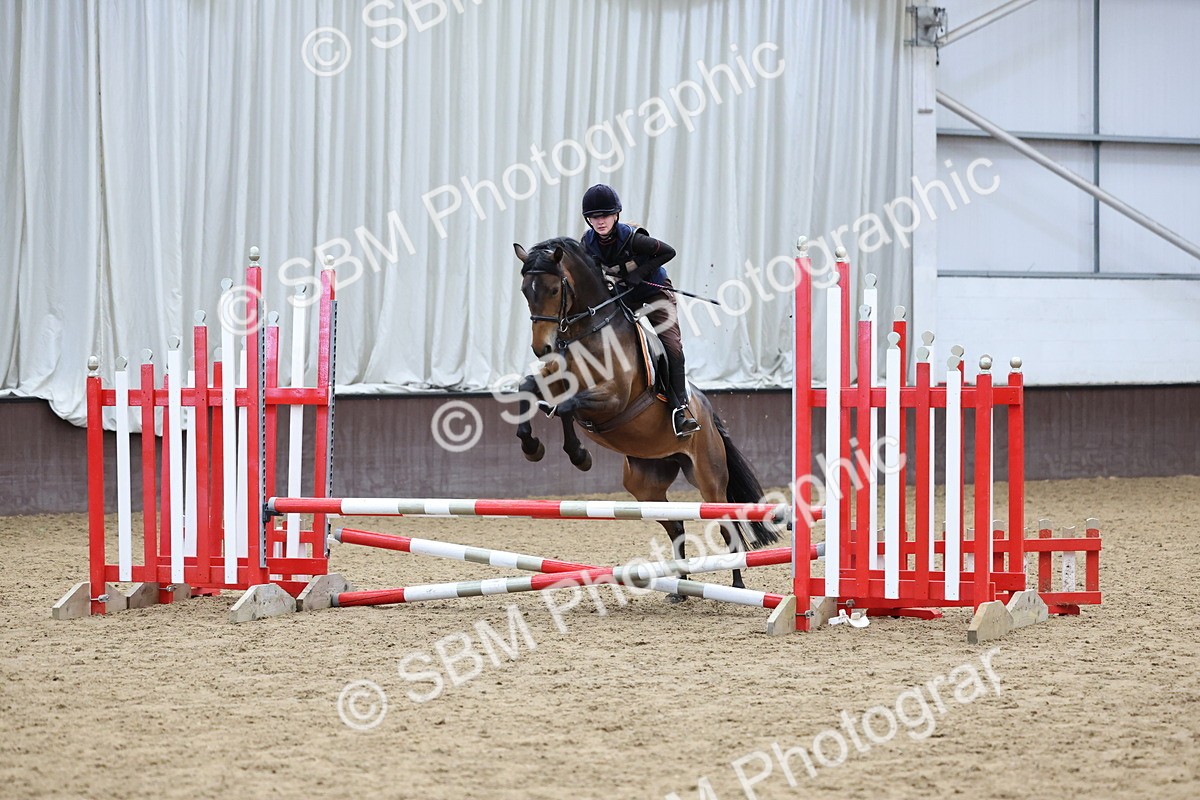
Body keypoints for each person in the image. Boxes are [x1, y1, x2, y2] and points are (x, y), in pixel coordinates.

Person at [579, 183, 701, 437]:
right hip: (625, 294)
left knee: (672, 347)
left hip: (656, 293)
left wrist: (640, 274)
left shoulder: (633, 238)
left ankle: (681, 410)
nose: (599, 222)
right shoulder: (588, 243)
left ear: (616, 215)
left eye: (604, 215)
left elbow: (669, 251)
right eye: (594, 217)